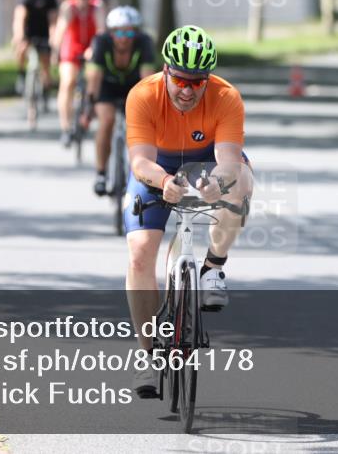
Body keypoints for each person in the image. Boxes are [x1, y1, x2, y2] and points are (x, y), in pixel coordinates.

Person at [123, 25, 253, 398]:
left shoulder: (226, 96)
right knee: (140, 253)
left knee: (242, 182)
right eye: (180, 79)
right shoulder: (142, 95)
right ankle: (147, 357)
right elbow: (140, 162)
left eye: (197, 82)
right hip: (157, 164)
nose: (187, 90)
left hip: (206, 160)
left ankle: (212, 268)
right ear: (166, 71)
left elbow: (229, 161)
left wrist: (218, 182)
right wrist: (163, 181)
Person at [85, 6, 156, 196]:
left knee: (137, 128)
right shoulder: (101, 42)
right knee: (106, 121)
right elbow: (94, 77)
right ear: (111, 32)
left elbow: (147, 79)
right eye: (118, 32)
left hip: (133, 87)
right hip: (107, 86)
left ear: (136, 32)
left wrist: (149, 109)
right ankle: (101, 173)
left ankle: (138, 172)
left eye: (129, 31)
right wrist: (88, 106)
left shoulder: (144, 42)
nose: (123, 37)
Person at [52, 0, 106, 146]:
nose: (83, 1)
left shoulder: (97, 7)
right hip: (71, 47)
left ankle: (88, 110)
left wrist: (94, 48)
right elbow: (61, 31)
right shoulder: (69, 7)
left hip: (91, 46)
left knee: (94, 79)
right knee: (67, 82)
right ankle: (66, 127)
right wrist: (55, 52)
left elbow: (101, 31)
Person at [11, 0, 58, 96]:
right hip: (29, 32)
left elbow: (53, 20)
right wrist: (19, 35)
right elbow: (19, 18)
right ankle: (21, 73)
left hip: (44, 32)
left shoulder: (50, 0)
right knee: (21, 49)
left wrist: (53, 37)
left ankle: (46, 85)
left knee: (45, 61)